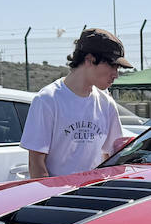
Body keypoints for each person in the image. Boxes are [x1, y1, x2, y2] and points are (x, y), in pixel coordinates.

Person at [19, 28, 129, 178]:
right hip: (59, 198)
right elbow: (36, 165)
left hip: (96, 195)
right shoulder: (48, 100)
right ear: (89, 60)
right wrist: (50, 200)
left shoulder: (107, 103)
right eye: (112, 65)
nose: (116, 74)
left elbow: (110, 155)